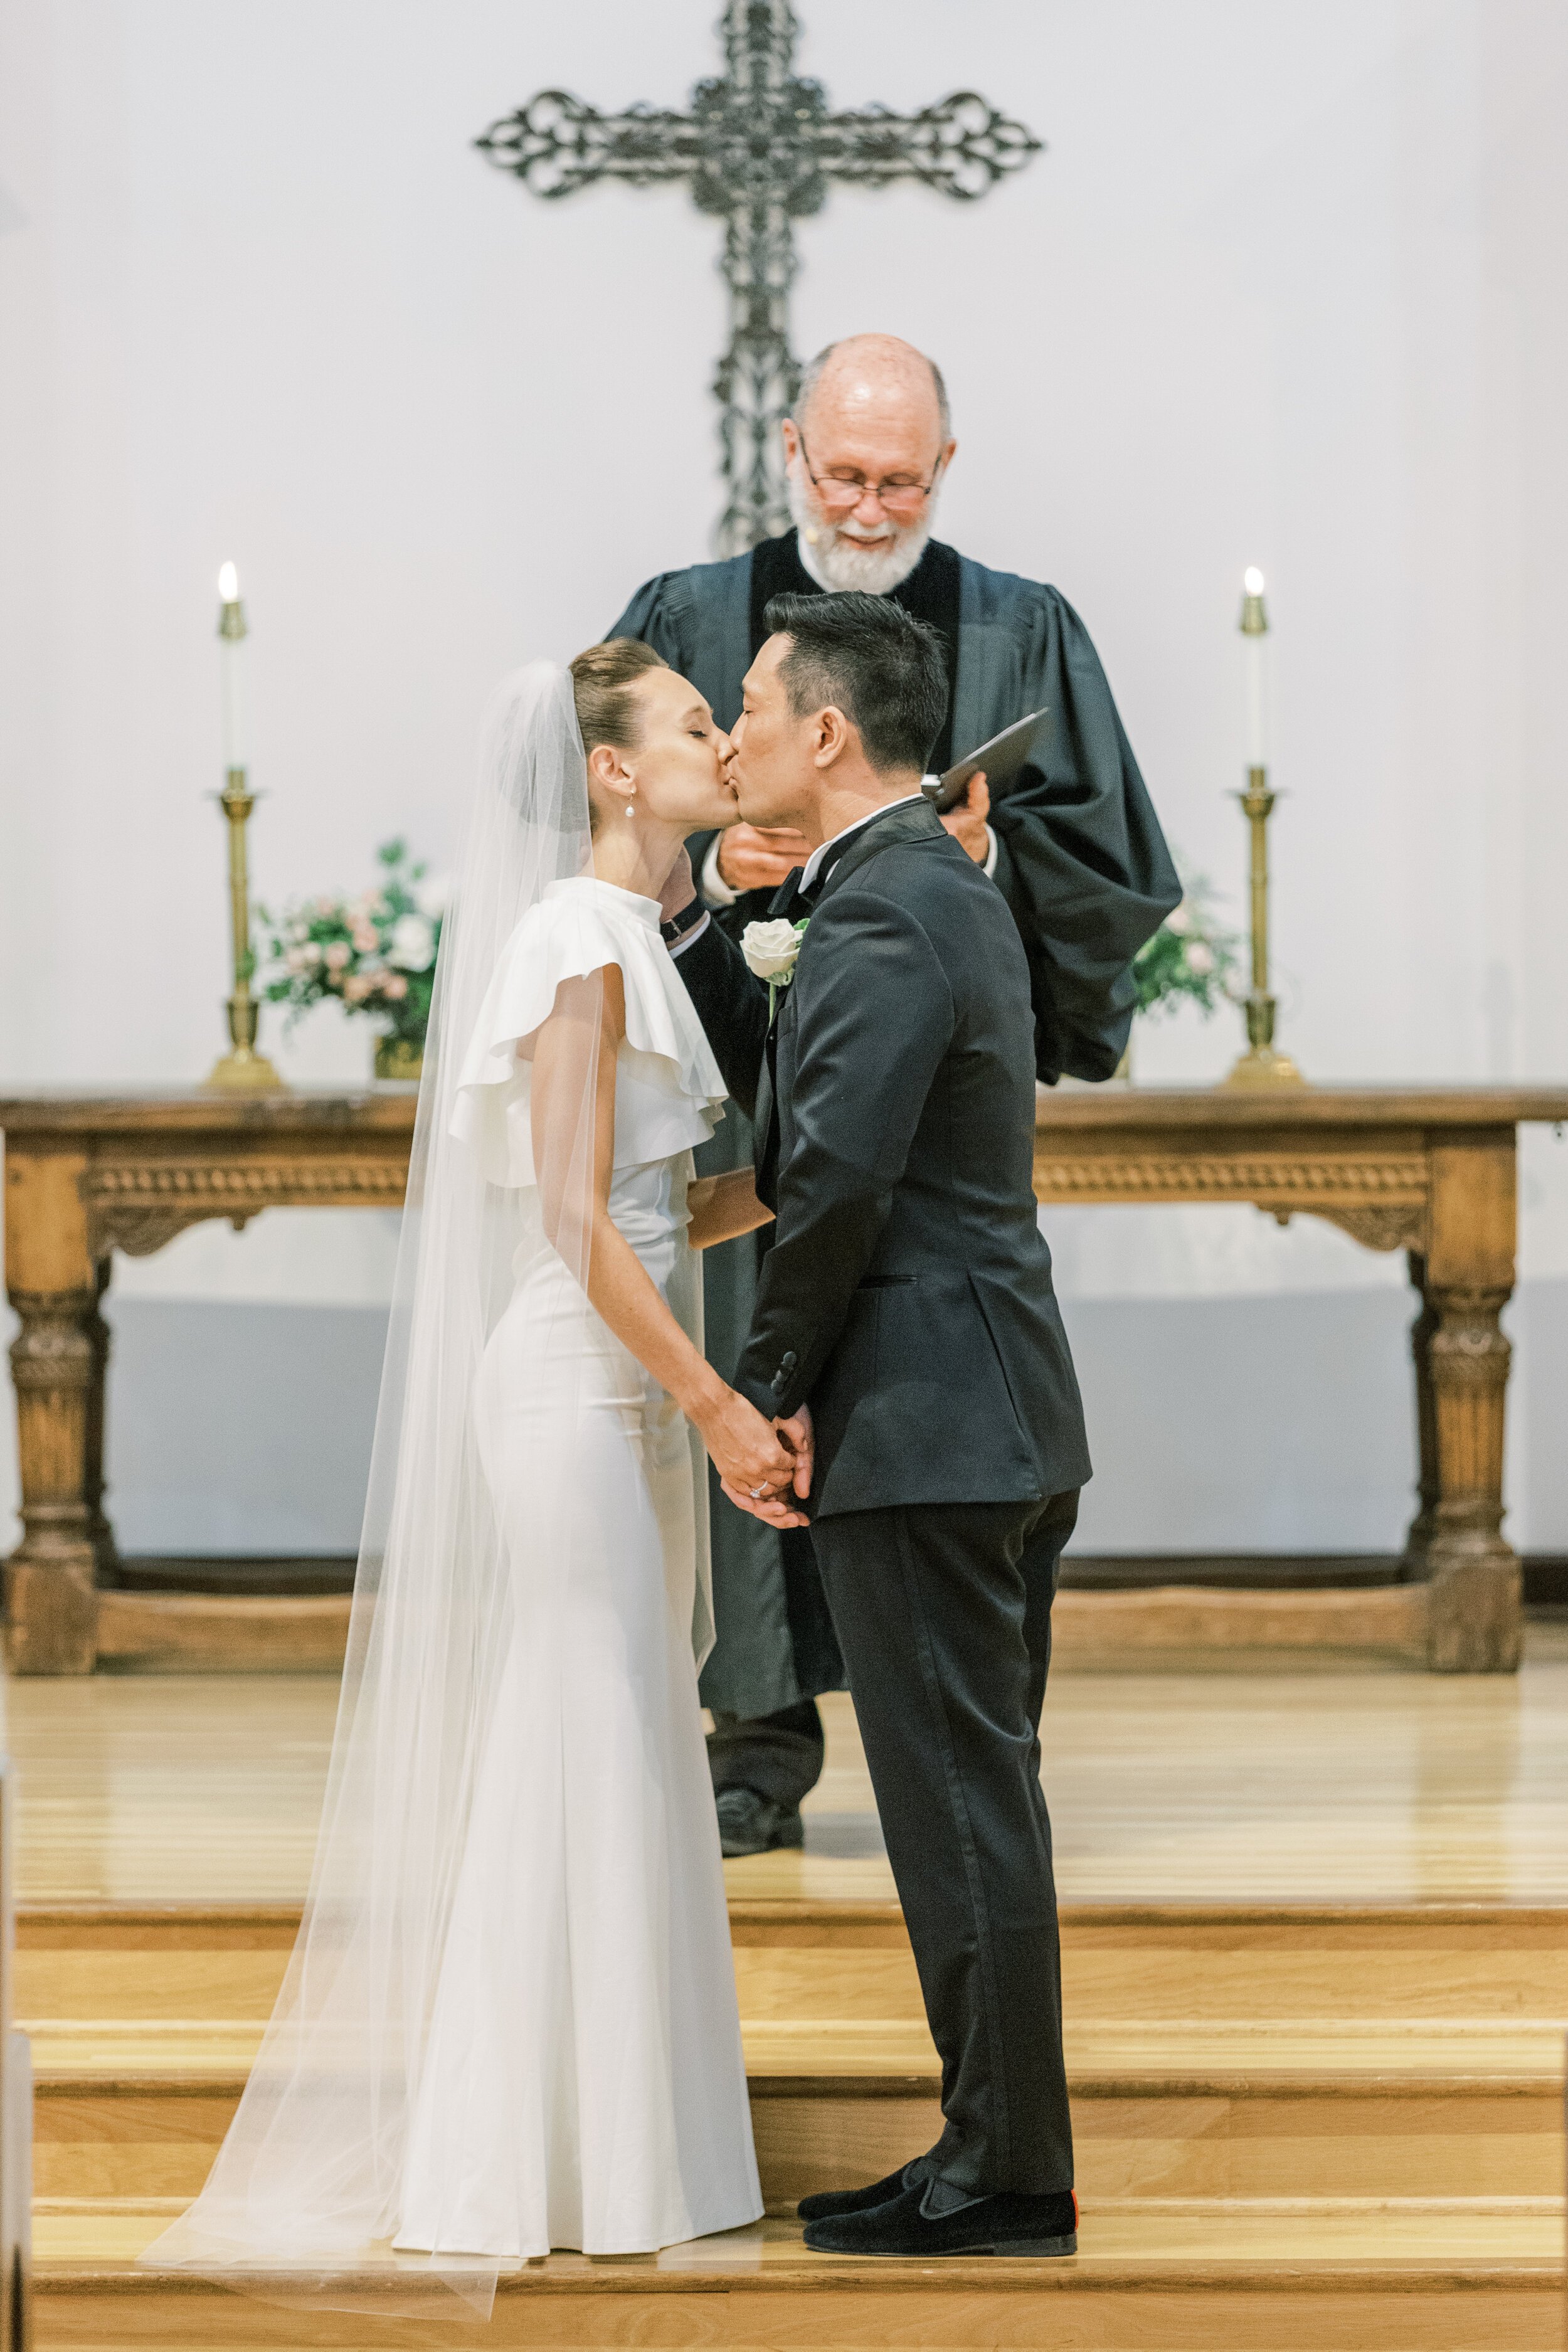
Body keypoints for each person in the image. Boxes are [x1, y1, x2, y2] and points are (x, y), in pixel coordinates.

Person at [142, 645, 778, 2307]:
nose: (723, 740)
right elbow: (570, 1217)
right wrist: (711, 1398)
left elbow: (655, 1208)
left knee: (623, 1738)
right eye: (695, 723)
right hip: (579, 1388)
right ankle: (522, 2151)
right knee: (578, 1731)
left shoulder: (630, 932)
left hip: (619, 1377)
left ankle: (622, 2143)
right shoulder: (573, 933)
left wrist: (803, 1173)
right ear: (613, 771)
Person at [613, 332, 1179, 1855]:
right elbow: (605, 790)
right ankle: (757, 1737)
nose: (868, 509)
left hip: (930, 1106)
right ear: (792, 451)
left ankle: (956, 1737)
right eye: (844, 473)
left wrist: (986, 857)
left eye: (900, 478)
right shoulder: (688, 616)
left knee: (919, 1371)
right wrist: (703, 864)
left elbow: (1115, 860)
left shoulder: (1018, 625)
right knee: (760, 1360)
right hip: (749, 1096)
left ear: (945, 467)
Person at [672, 593, 1084, 2257]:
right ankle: (991, 2143)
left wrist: (762, 1389)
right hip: (977, 1401)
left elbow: (831, 1179)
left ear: (825, 732)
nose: (733, 734)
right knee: (968, 1795)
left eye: (753, 709)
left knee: (958, 1804)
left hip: (924, 1415)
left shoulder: (887, 910)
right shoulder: (922, 882)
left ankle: (1004, 2169)